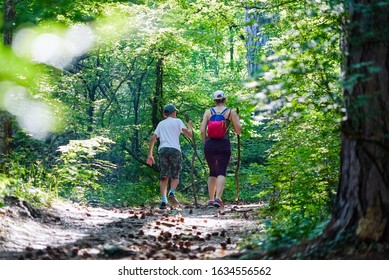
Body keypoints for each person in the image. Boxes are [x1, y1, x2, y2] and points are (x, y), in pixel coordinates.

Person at [147, 104, 192, 209]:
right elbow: (189, 135)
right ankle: (171, 192)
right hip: (175, 150)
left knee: (164, 177)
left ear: (164, 114)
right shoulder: (178, 121)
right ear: (174, 113)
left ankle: (163, 201)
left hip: (163, 150)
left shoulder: (161, 124)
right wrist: (189, 126)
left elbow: (153, 138)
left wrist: (150, 154)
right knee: (175, 175)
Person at [200, 90, 241, 208]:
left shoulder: (208, 112)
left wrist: (206, 143)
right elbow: (238, 131)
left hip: (210, 145)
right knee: (221, 171)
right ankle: (218, 198)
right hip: (224, 144)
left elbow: (202, 131)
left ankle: (211, 200)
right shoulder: (230, 112)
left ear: (214, 100)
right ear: (225, 99)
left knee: (212, 172)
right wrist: (237, 119)